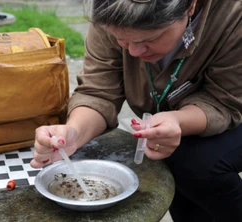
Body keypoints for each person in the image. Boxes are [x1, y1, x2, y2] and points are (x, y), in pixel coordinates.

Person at [31, 0, 242, 221]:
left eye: (149, 39)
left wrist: (179, 120)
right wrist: (73, 132)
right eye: (121, 39)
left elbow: (223, 99)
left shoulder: (232, 15)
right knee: (173, 163)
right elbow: (98, 90)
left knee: (198, 164)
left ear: (190, 6)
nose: (133, 51)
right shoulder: (111, 10)